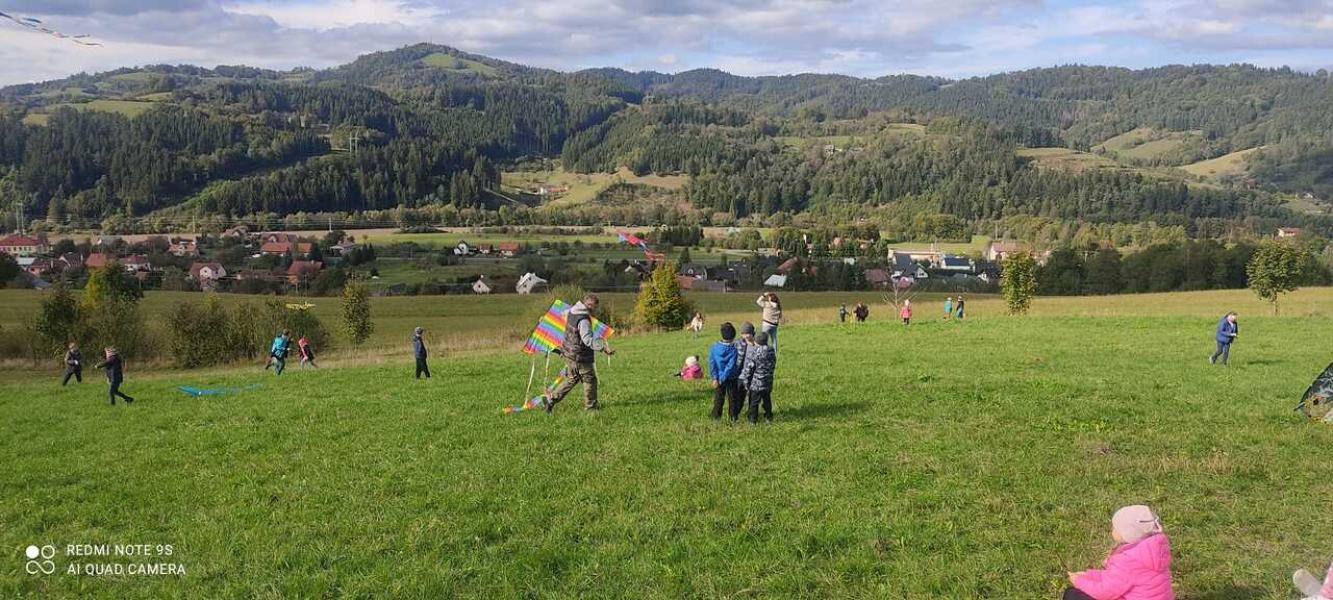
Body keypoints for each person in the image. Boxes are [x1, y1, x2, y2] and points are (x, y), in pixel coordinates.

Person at [1063, 505, 1173, 600]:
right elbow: (1115, 577)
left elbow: (1104, 592)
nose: (1112, 529)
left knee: (1072, 595)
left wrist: (1079, 581)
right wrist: (1090, 575)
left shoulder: (1128, 561)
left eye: (1115, 528)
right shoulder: (1149, 551)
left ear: (1127, 534)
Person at [545, 294, 615, 412]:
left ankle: (551, 399)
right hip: (580, 356)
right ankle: (591, 407)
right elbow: (587, 340)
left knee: (572, 378)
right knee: (589, 379)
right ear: (590, 305)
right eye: (594, 307)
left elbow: (563, 316)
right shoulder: (584, 320)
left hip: (569, 353)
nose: (595, 310)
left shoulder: (572, 311)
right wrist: (603, 348)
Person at [708, 322, 743, 422]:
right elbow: (730, 366)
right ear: (733, 336)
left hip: (718, 378)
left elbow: (712, 363)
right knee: (733, 398)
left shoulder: (714, 347)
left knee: (718, 398)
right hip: (731, 377)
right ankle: (733, 417)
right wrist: (723, 377)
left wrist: (715, 378)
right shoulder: (733, 349)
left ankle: (716, 416)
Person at [740, 331, 776, 424]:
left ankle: (752, 419)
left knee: (754, 402)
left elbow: (749, 368)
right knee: (767, 400)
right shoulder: (771, 351)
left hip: (757, 383)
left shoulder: (755, 352)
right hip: (768, 382)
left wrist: (746, 381)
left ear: (756, 342)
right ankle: (768, 416)